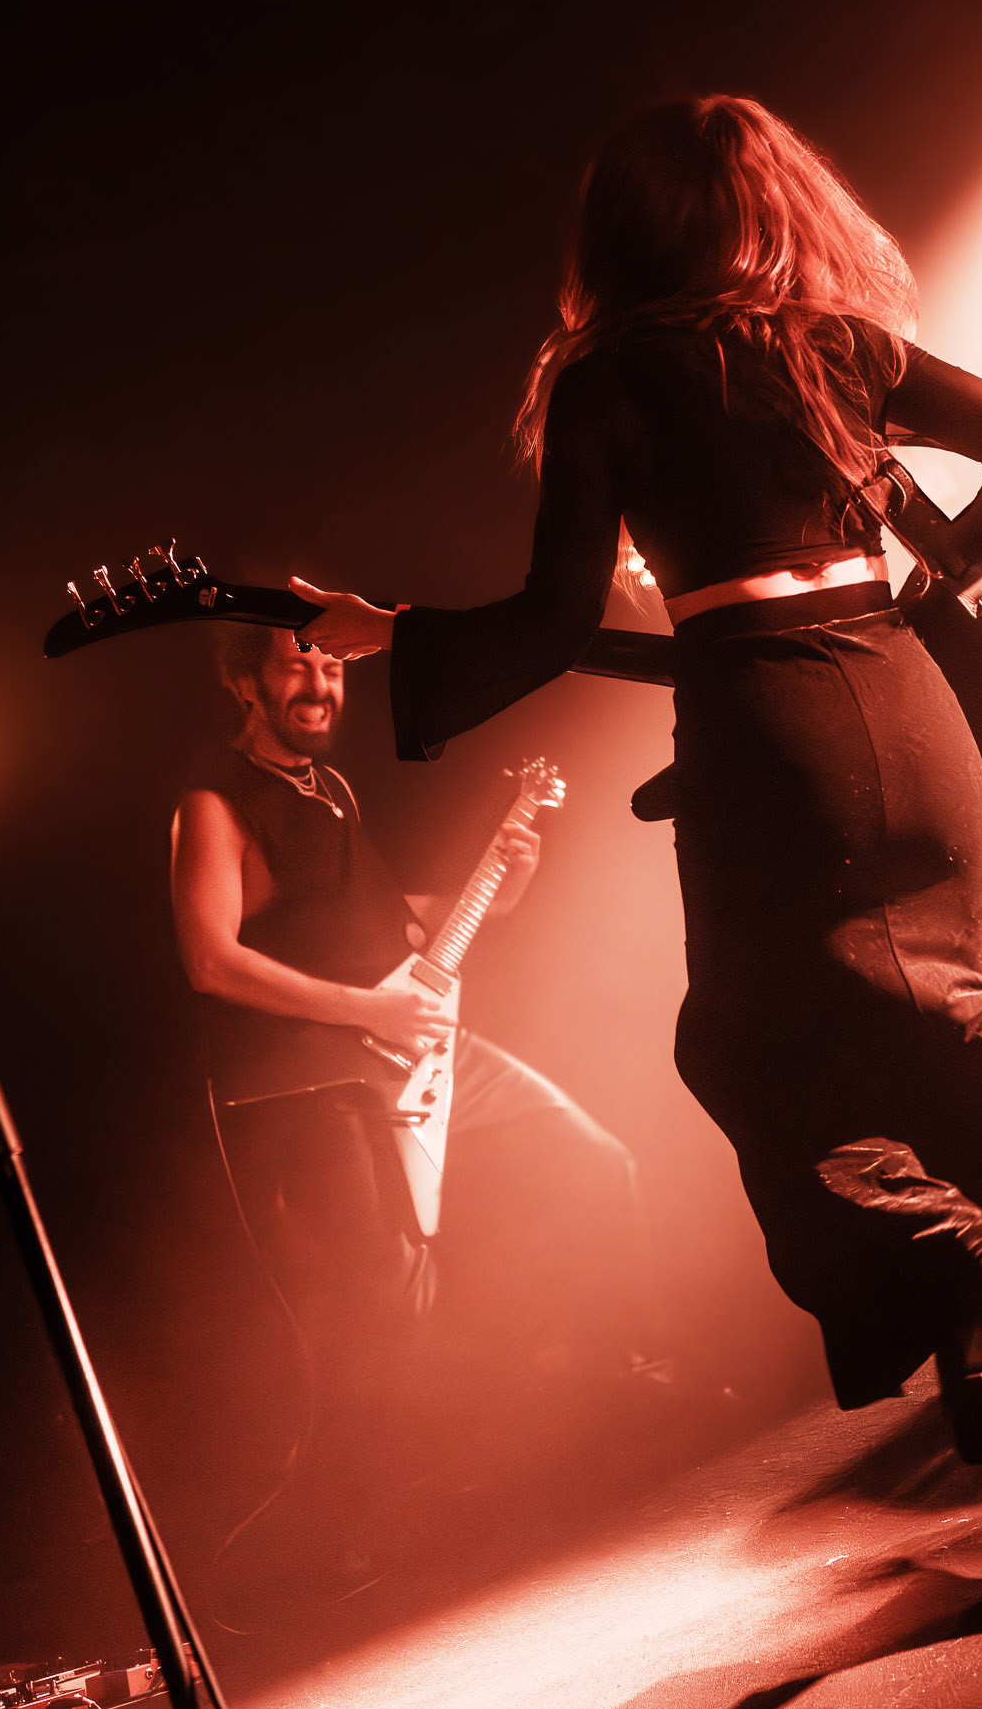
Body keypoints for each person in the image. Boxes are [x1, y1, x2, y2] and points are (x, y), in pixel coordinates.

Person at [288, 94, 982, 1573]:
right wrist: (929, 597)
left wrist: (394, 636)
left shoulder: (610, 375)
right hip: (910, 710)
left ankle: (961, 1261)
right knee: (961, 1034)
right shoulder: (832, 347)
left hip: (769, 732)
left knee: (746, 1050)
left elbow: (554, 618)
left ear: (619, 231)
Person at [171, 622, 657, 1573]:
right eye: (297, 664)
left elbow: (392, 926)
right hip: (313, 1082)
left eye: (331, 666)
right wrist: (367, 1010)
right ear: (243, 682)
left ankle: (615, 1383)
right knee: (385, 1310)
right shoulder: (213, 804)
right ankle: (359, 1537)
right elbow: (210, 960)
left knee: (594, 1162)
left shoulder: (332, 790)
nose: (321, 683)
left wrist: (503, 881)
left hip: (414, 1049)